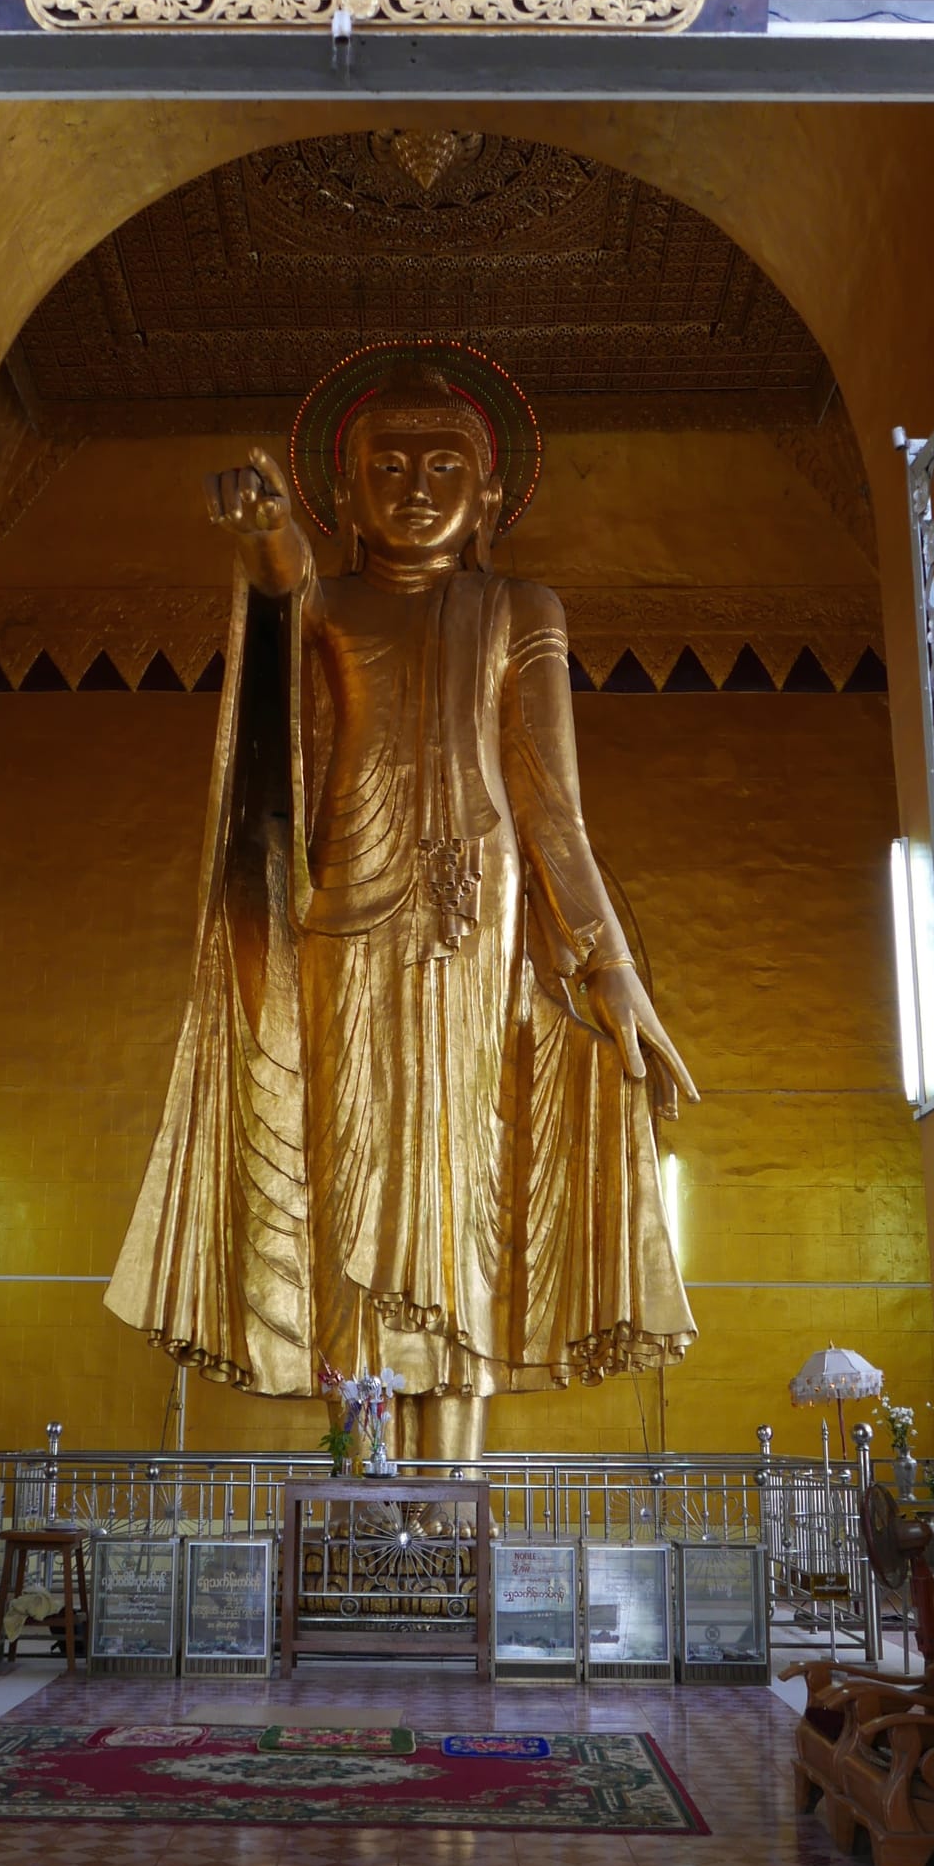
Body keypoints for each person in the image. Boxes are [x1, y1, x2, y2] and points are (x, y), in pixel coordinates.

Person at [106, 344, 696, 1461]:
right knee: (352, 1179)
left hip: (480, 915)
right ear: (344, 491)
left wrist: (607, 960)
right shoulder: (331, 599)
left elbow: (551, 805)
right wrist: (261, 530)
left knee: (462, 1180)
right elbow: (280, 593)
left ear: (484, 495)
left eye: (441, 464)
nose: (414, 484)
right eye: (386, 463)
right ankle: (358, 1472)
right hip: (346, 912)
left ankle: (454, 1480)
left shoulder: (522, 605)